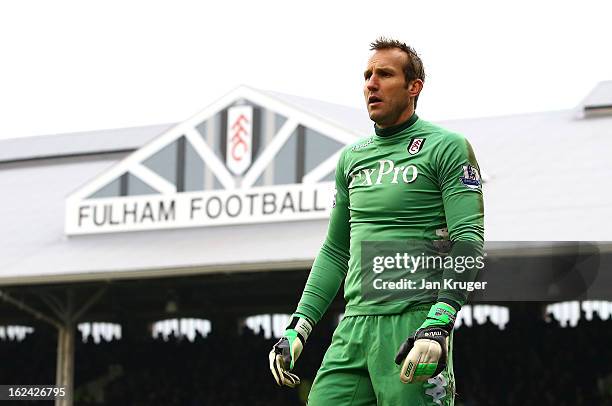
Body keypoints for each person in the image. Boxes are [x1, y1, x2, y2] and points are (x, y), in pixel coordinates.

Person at [269, 37, 484, 406]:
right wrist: (299, 326)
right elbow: (336, 251)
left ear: (414, 87)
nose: (371, 83)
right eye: (367, 75)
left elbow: (468, 238)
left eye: (384, 74)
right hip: (353, 327)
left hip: (414, 323)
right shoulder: (352, 158)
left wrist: (439, 322)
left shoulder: (446, 147)